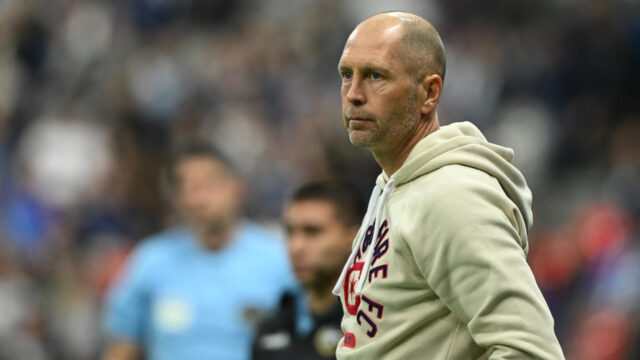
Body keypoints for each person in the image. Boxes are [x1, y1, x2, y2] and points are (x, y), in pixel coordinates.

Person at [331, 11, 565, 359]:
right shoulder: (396, 185)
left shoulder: (451, 195)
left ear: (430, 92)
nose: (354, 94)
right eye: (347, 75)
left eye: (375, 76)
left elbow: (530, 350)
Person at [101, 143, 297, 360]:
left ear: (238, 188)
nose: (198, 198)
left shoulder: (280, 259)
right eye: (186, 187)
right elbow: (123, 345)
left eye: (208, 185)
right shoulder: (151, 260)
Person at [252, 181, 365, 360]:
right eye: (290, 232)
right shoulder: (273, 326)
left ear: (353, 239)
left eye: (312, 232)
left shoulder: (369, 323)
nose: (296, 247)